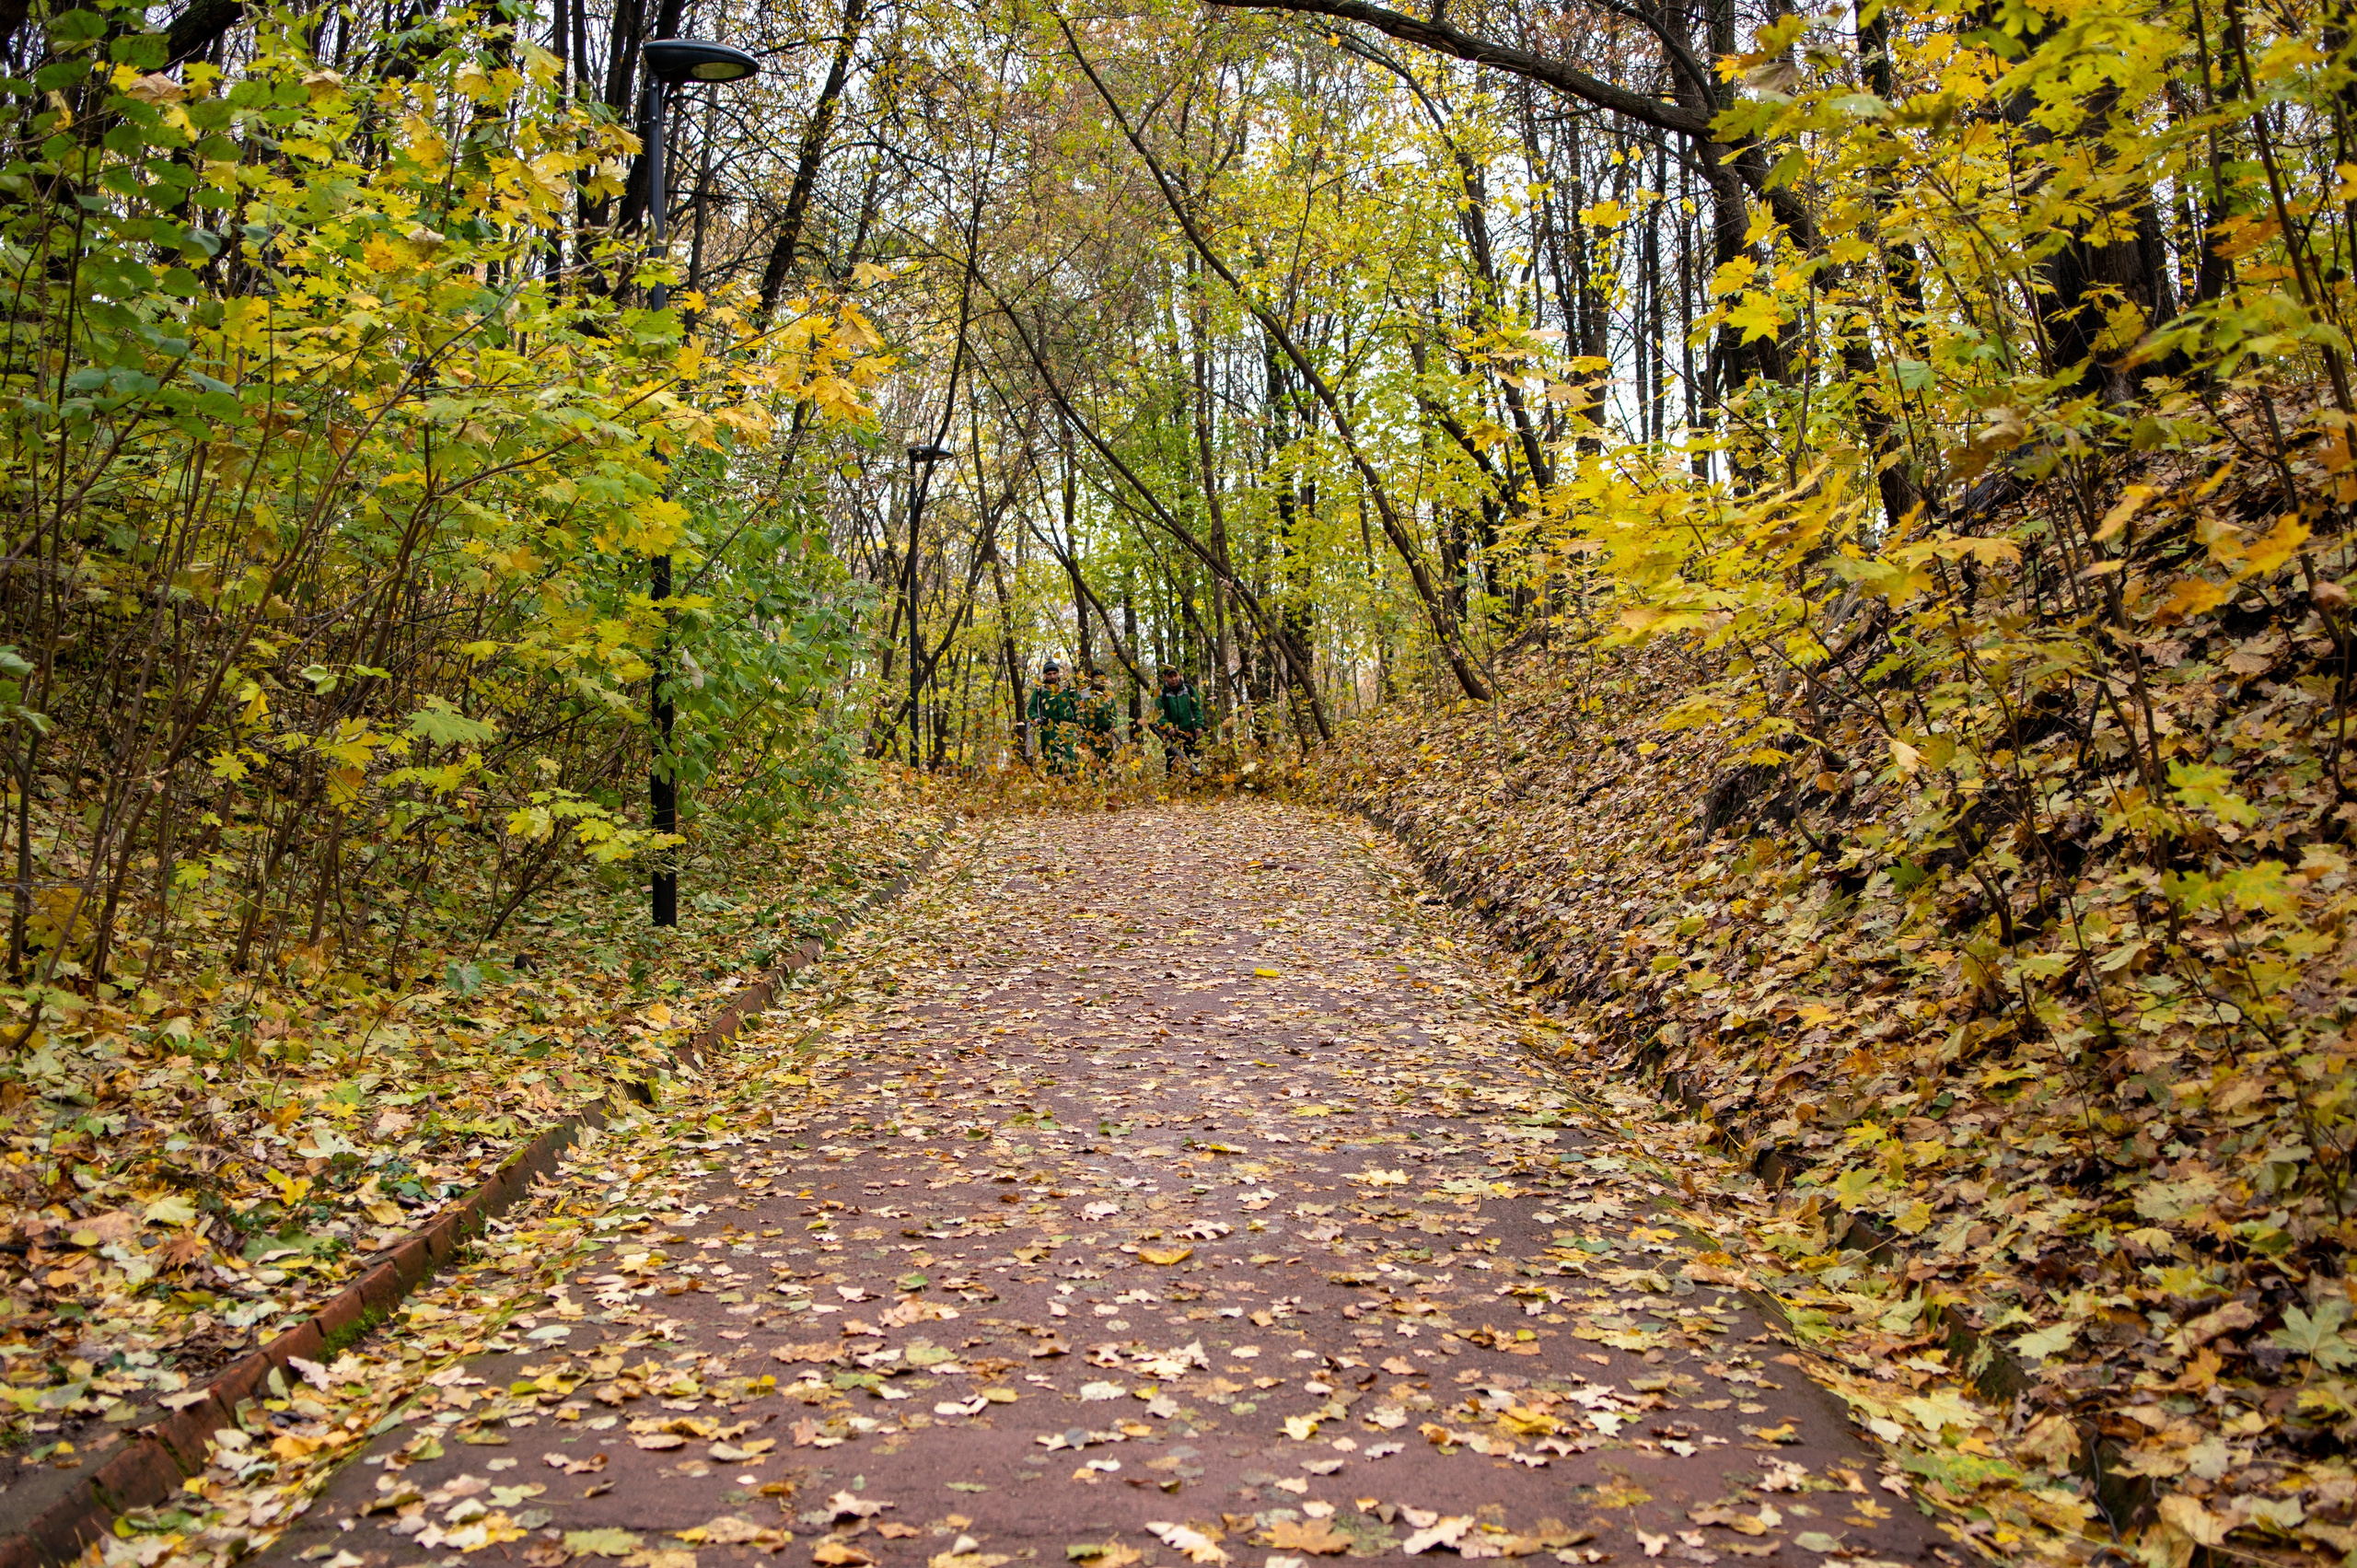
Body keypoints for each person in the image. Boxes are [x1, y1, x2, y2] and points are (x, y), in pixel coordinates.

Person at [1027, 661, 1081, 774]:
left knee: (1070, 755)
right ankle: (1053, 785)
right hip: (1048, 728)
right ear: (1045, 675)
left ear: (1058, 674)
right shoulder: (1040, 690)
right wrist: (1036, 718)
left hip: (1067, 727)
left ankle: (1071, 784)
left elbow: (1077, 707)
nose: (1052, 676)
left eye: (1054, 673)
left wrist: (1079, 723)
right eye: (1049, 674)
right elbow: (1031, 709)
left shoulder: (1067, 688)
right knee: (1051, 758)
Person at [1154, 666, 1206, 772]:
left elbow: (1197, 708)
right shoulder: (1161, 694)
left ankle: (1196, 786)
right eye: (1170, 676)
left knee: (1195, 762)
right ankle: (1172, 787)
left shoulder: (1189, 690)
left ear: (1179, 675)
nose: (1174, 679)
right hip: (1172, 736)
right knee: (1173, 766)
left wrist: (1199, 726)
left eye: (1175, 675)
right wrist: (1168, 729)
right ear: (1165, 678)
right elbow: (1158, 715)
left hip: (1190, 733)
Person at [1082, 668, 1119, 764]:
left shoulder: (1109, 696)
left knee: (1105, 762)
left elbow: (1113, 713)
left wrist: (1113, 726)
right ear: (1092, 680)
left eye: (1102, 679)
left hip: (1104, 734)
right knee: (1089, 762)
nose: (1099, 682)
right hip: (1088, 735)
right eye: (1097, 679)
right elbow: (1078, 711)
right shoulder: (1083, 694)